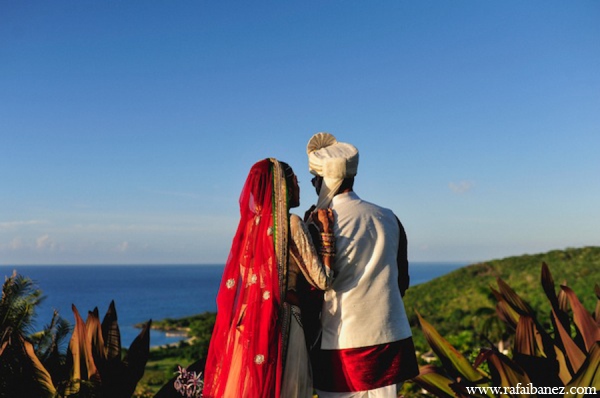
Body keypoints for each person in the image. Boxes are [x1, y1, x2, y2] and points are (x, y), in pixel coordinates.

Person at [202, 158, 335, 398]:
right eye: (295, 182)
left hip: (247, 325)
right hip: (282, 322)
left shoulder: (248, 230)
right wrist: (326, 234)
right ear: (282, 187)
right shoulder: (291, 224)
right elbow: (323, 280)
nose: (298, 187)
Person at [305, 133, 419, 398]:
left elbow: (312, 290)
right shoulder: (389, 217)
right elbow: (402, 281)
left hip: (342, 344)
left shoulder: (320, 224)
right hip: (392, 338)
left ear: (323, 181)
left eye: (314, 179)